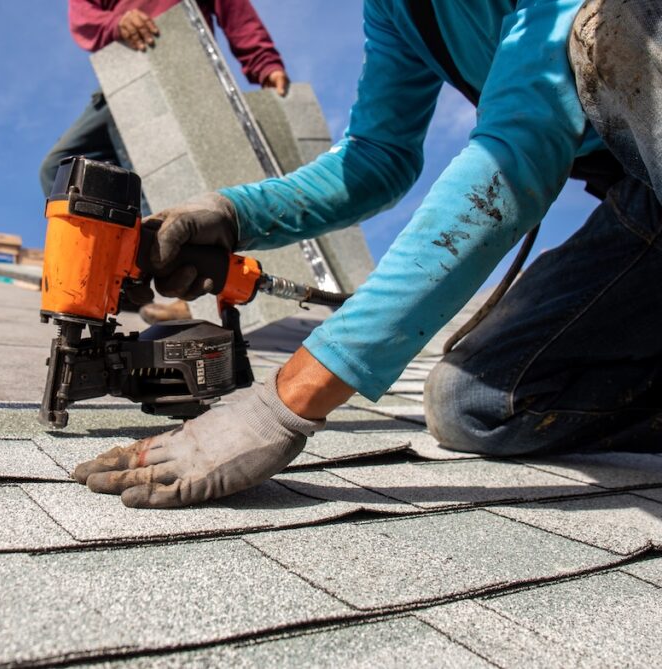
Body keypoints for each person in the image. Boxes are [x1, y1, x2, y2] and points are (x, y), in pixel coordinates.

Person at [74, 0, 662, 508]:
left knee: (616, 29)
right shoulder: (397, 12)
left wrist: (283, 405)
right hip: (644, 197)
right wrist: (234, 215)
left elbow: (517, 150)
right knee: (475, 404)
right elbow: (378, 158)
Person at [40, 0, 291, 322]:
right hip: (125, 76)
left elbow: (236, 12)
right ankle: (117, 272)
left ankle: (184, 295)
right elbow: (83, 13)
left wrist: (265, 63)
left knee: (168, 178)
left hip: (182, 71)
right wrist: (116, 23)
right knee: (61, 168)